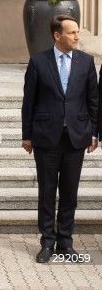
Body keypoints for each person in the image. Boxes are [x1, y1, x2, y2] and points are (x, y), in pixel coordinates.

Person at [21, 15, 98, 263]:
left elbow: (93, 101)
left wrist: (94, 133)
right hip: (46, 138)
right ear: (57, 35)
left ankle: (66, 243)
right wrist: (27, 135)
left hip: (76, 138)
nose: (77, 36)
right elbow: (28, 102)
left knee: (69, 193)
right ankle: (47, 243)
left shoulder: (86, 62)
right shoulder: (38, 61)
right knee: (47, 192)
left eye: (77, 32)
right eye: (72, 32)